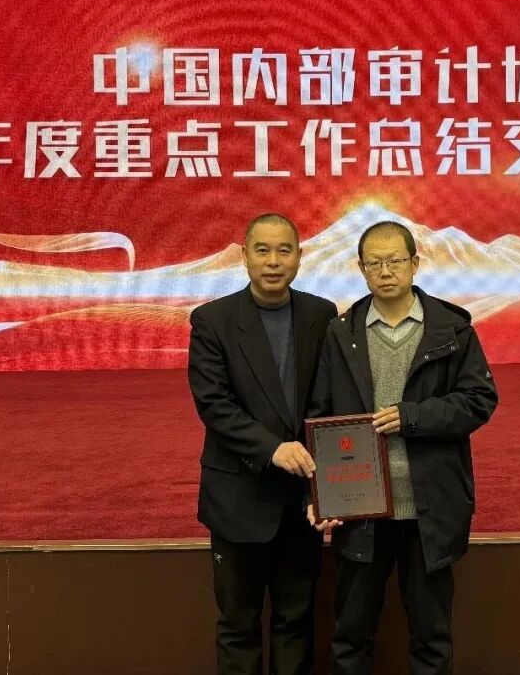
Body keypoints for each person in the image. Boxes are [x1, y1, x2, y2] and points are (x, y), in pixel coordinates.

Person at [308, 220, 498, 675]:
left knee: (431, 637)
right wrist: (322, 494)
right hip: (360, 506)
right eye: (374, 263)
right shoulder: (341, 333)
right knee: (350, 635)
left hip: (429, 506)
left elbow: (479, 400)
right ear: (361, 269)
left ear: (415, 263)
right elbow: (320, 416)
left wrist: (414, 417)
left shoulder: (452, 329)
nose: (385, 271)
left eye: (395, 260)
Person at [188, 213, 338, 675]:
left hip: (301, 501)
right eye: (263, 250)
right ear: (244, 256)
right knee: (239, 624)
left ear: (299, 257)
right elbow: (214, 404)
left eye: (284, 250)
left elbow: (329, 403)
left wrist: (327, 490)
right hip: (238, 497)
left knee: (296, 621)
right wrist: (271, 448)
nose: (273, 261)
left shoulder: (321, 315)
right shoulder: (213, 320)